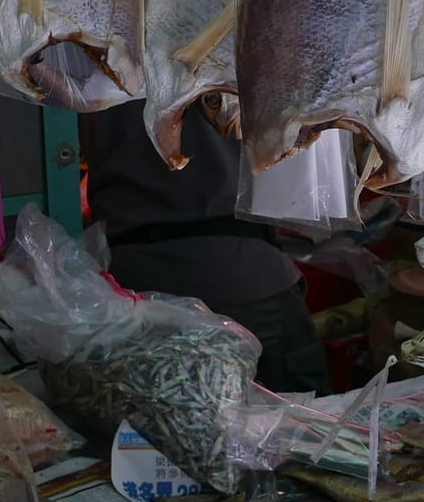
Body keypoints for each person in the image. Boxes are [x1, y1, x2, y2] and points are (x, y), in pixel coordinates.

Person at [82, 103, 329, 394]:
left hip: (132, 285)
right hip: (240, 278)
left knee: (153, 429)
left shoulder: (90, 62)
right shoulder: (246, 57)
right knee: (298, 430)